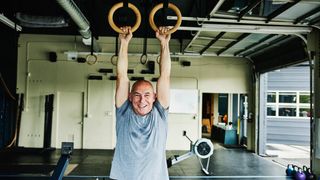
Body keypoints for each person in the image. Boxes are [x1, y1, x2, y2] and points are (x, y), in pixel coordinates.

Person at [109, 26, 171, 180]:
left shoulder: (160, 113)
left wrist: (164, 43)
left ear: (155, 97)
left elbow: (165, 75)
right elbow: (122, 76)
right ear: (130, 97)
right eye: (137, 95)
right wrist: (124, 43)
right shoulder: (124, 111)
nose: (142, 100)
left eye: (147, 95)